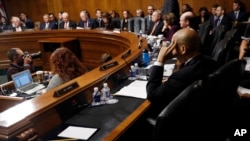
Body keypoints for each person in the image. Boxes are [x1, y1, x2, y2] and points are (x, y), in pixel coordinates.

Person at [146, 28, 218, 119]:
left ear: (183, 49)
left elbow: (153, 94)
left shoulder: (182, 76)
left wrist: (160, 60)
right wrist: (179, 62)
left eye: (173, 44)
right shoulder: (211, 62)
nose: (170, 48)